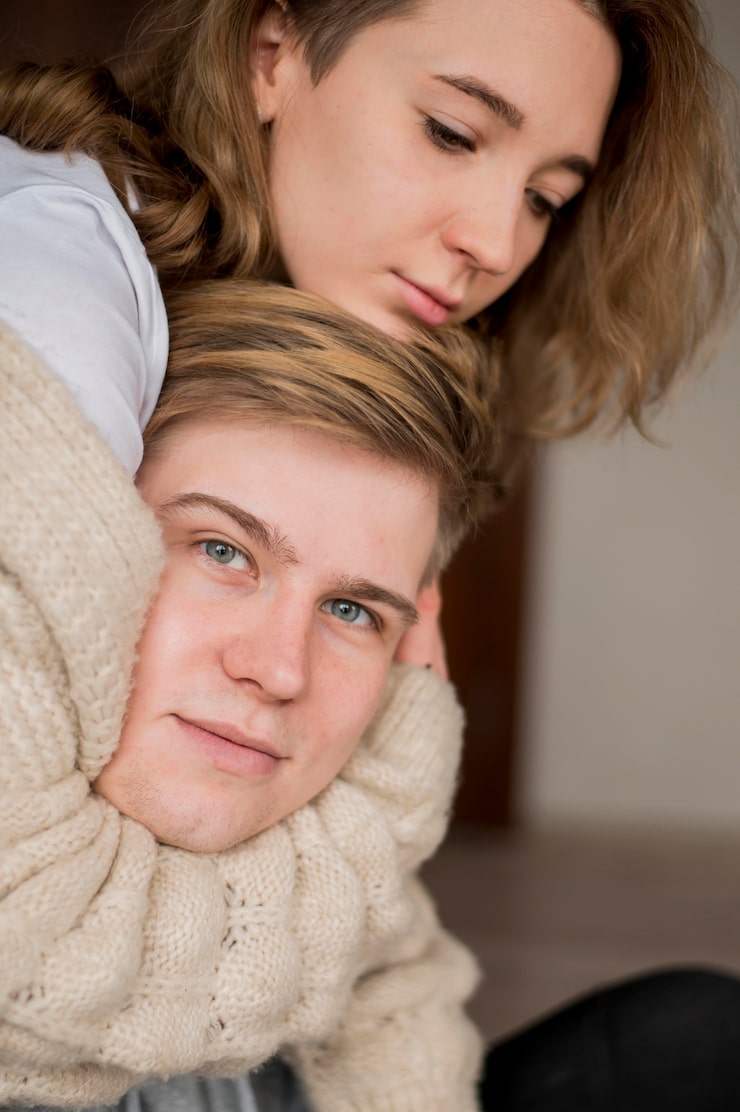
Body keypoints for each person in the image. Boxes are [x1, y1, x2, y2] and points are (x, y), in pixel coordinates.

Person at [0, 279, 497, 1111]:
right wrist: (391, 815)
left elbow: (400, 988)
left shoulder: (338, 855)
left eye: (352, 610)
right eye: (223, 551)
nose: (279, 670)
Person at [0, 0, 736, 480]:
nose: (497, 247)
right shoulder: (55, 274)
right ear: (271, 54)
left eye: (545, 200)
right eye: (451, 134)